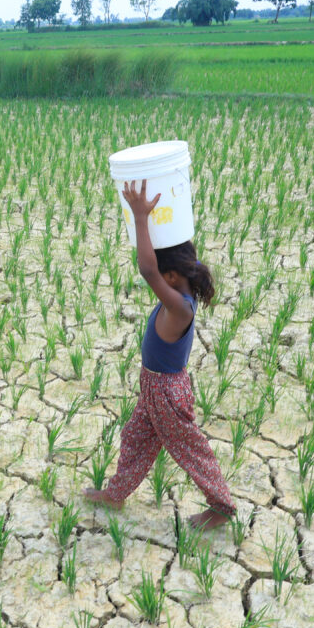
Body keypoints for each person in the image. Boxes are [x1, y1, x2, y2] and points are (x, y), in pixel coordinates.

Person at [84, 179, 237, 532]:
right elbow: (166, 261)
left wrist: (140, 217)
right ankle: (116, 493)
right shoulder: (184, 286)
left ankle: (222, 507)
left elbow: (148, 269)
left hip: (167, 393)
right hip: (154, 388)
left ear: (170, 275)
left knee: (190, 449)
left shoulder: (179, 307)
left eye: (161, 274)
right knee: (134, 438)